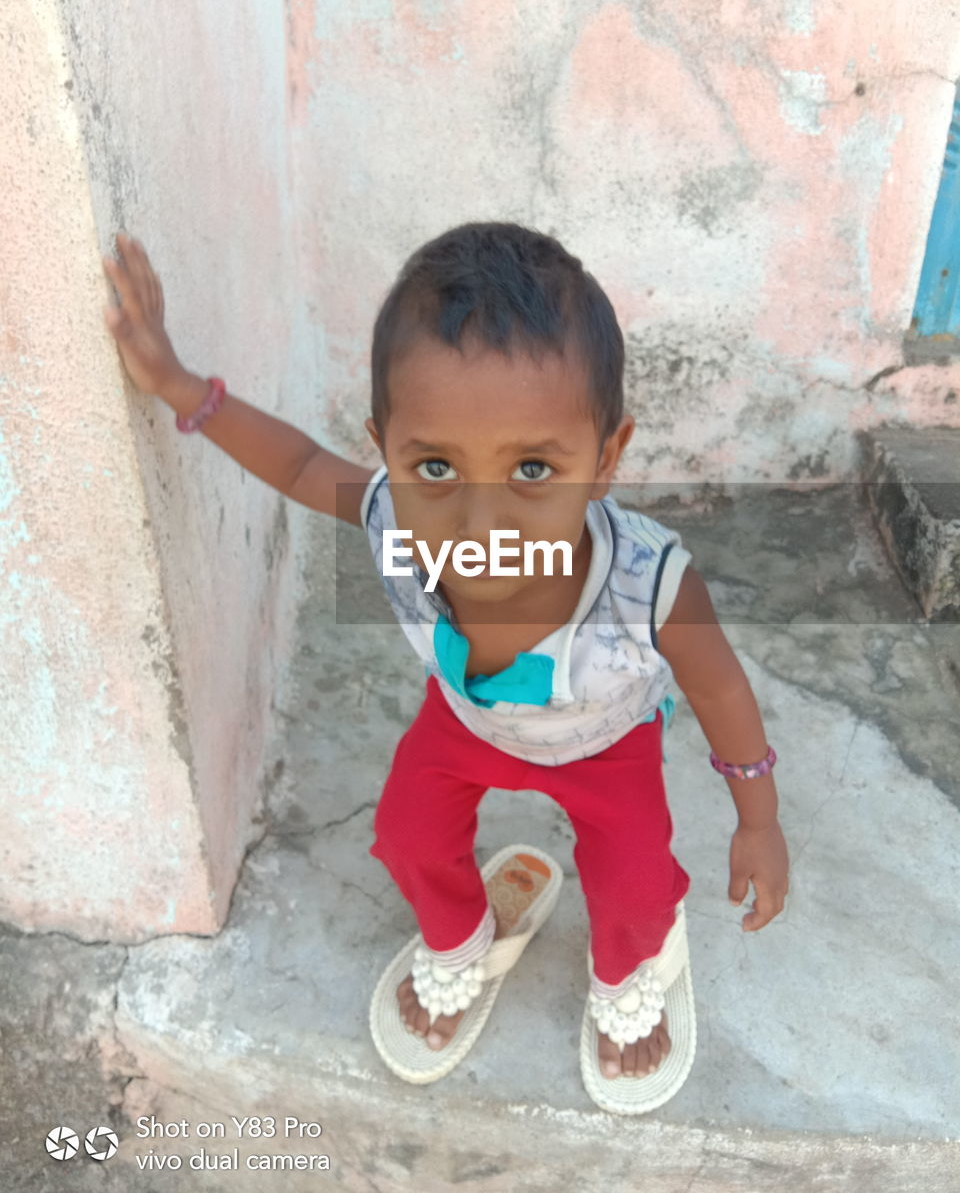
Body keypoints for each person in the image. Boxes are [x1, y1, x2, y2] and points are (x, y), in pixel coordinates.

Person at [102, 223, 789, 1113]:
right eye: (434, 466)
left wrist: (758, 820)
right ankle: (459, 937)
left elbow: (721, 687)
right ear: (386, 450)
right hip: (465, 725)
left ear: (606, 461)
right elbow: (304, 463)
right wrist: (177, 385)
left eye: (534, 468)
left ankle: (629, 972)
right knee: (408, 833)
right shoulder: (392, 515)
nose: (481, 521)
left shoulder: (649, 585)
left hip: (605, 742)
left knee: (633, 879)